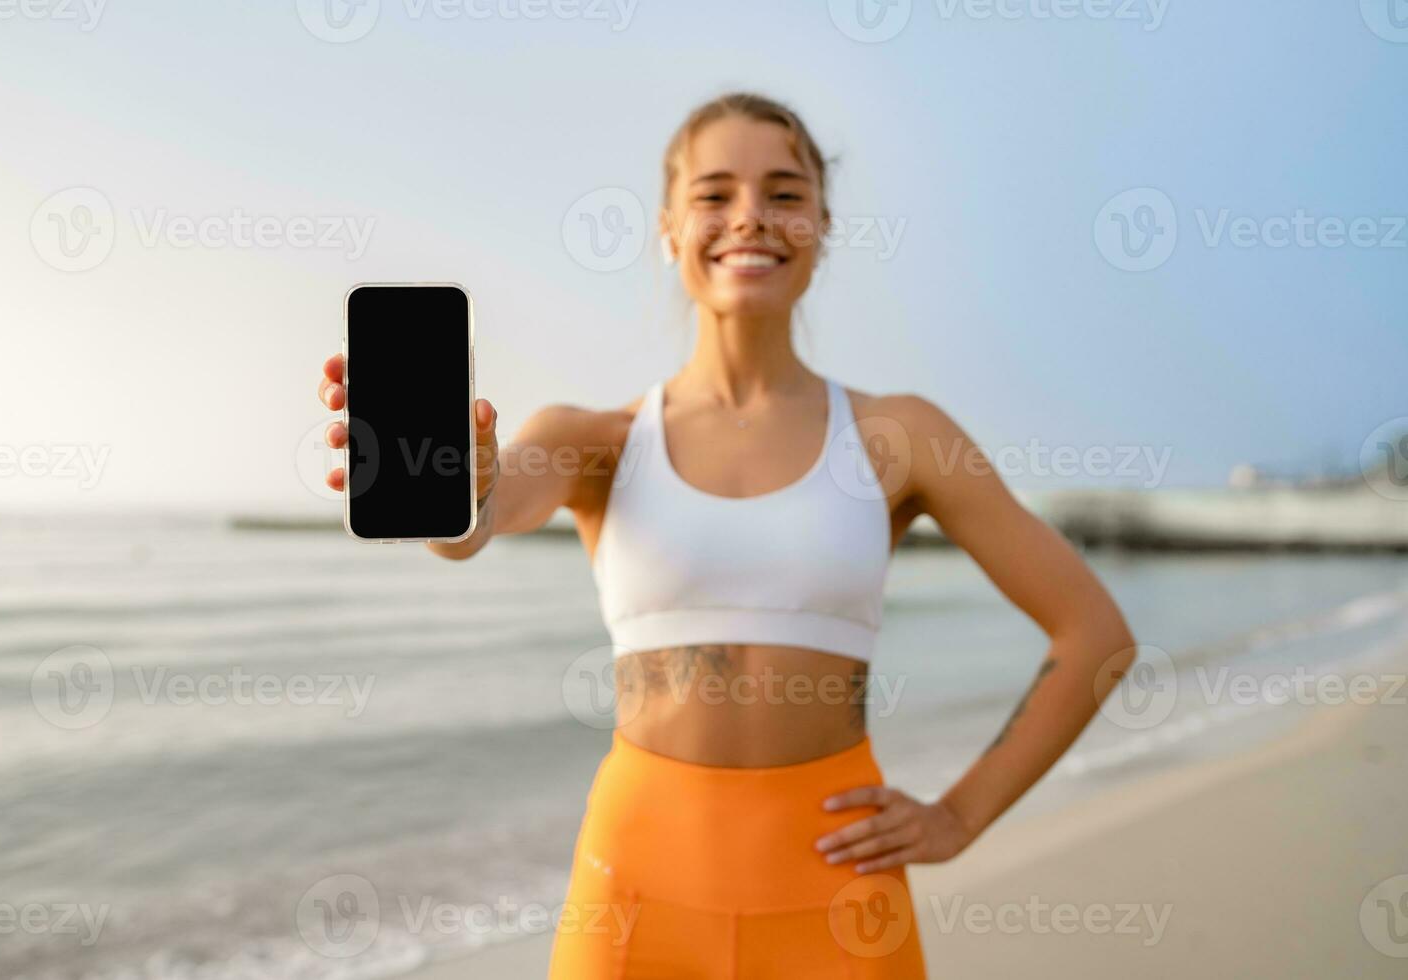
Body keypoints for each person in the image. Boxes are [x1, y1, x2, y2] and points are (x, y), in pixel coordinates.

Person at [315, 91, 1137, 978]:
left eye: (785, 192)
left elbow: (1095, 634)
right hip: (634, 888)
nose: (749, 215)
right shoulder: (597, 438)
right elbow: (477, 522)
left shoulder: (903, 436)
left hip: (838, 886)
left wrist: (958, 817)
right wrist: (459, 485)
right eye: (713, 194)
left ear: (823, 224)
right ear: (670, 229)